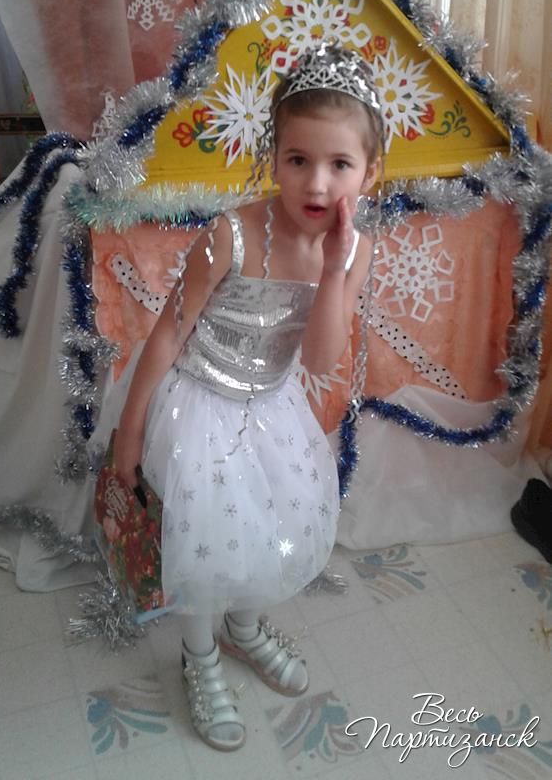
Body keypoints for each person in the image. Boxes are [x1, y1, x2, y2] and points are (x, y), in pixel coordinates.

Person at [102, 42, 383, 751]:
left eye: (340, 164)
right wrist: (130, 433)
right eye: (298, 159)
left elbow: (320, 359)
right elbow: (169, 333)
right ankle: (199, 657)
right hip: (196, 404)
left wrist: (332, 270)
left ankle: (244, 628)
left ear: (370, 172)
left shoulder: (356, 251)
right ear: (274, 158)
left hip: (272, 407)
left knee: (267, 524)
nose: (316, 182)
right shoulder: (229, 234)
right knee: (201, 541)